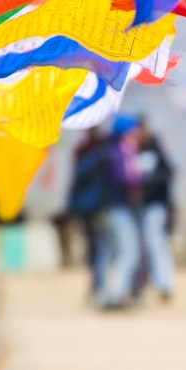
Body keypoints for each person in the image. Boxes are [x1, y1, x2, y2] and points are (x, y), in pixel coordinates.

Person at [100, 114, 144, 310]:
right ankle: (116, 295)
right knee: (127, 252)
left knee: (115, 253)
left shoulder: (112, 150)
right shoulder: (119, 152)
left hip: (113, 208)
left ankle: (111, 293)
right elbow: (122, 179)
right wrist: (138, 175)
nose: (136, 136)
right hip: (117, 208)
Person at [66, 127, 111, 301]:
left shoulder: (93, 152)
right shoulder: (94, 154)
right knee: (97, 248)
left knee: (97, 248)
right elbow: (79, 177)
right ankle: (97, 285)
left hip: (91, 206)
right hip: (92, 208)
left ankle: (97, 284)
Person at [135, 117, 175, 302]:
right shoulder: (134, 149)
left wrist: (147, 184)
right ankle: (152, 281)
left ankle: (164, 282)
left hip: (155, 205)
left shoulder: (154, 148)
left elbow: (168, 173)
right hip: (141, 206)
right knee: (146, 246)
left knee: (156, 243)